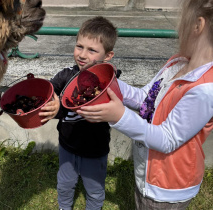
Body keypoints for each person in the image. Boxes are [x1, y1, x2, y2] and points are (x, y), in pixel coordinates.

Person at [77, 0, 213, 209]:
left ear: (198, 25)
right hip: (148, 172)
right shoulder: (178, 63)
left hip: (168, 186)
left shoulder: (205, 89)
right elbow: (145, 98)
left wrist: (119, 116)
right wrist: (108, 84)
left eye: (182, 22)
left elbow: (167, 139)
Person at [40, 16, 118, 210]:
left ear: (107, 56)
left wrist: (61, 110)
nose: (82, 54)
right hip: (67, 146)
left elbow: (94, 105)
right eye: (79, 46)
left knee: (95, 190)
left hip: (95, 150)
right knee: (65, 184)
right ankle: (64, 207)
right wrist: (45, 95)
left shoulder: (109, 83)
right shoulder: (66, 74)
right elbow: (51, 88)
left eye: (92, 50)